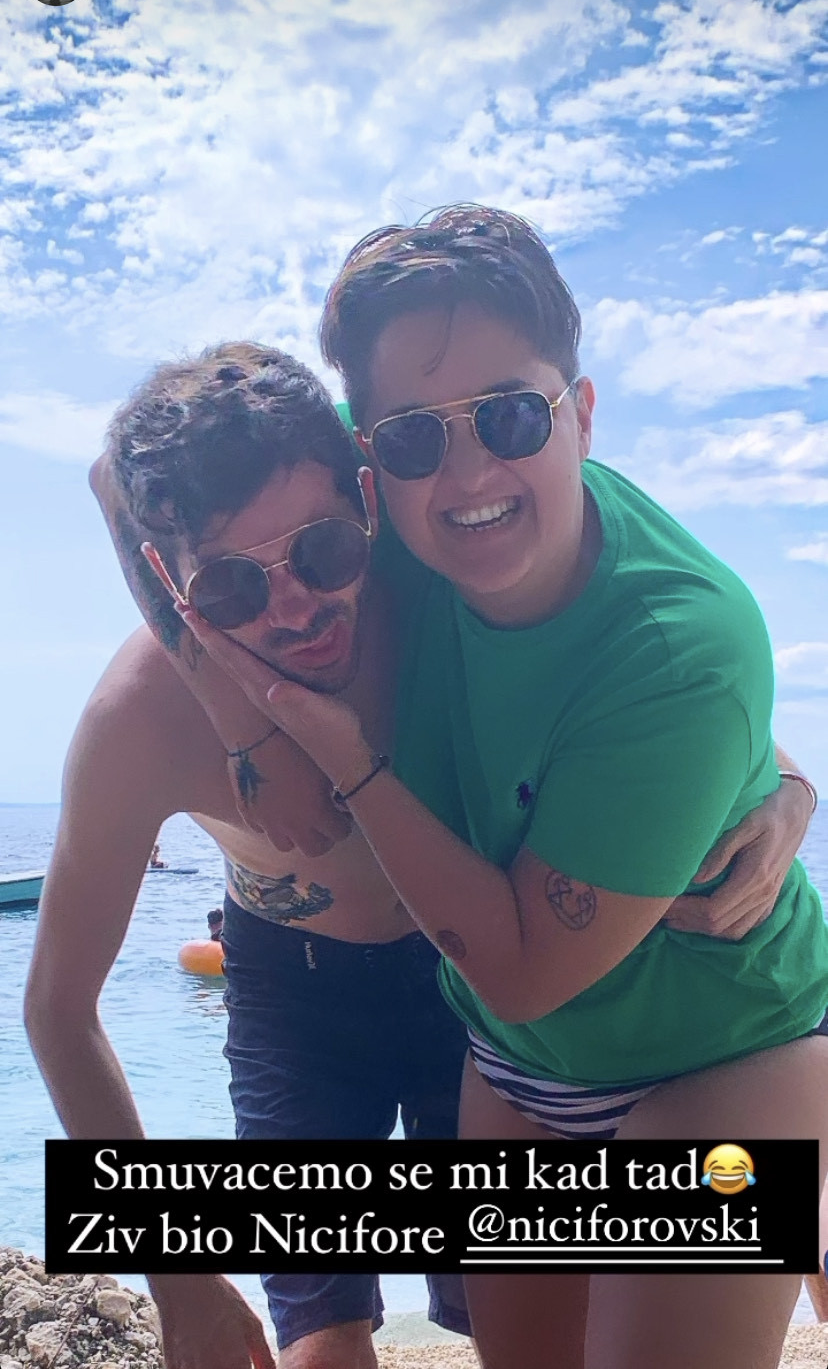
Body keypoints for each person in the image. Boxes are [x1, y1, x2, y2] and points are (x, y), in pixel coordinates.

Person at [178, 208, 828, 1369]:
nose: (469, 471)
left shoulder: (683, 639)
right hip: (521, 1069)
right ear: (369, 461)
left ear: (580, 413)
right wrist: (239, 723)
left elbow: (526, 965)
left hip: (727, 1048)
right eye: (415, 437)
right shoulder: (382, 534)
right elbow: (120, 479)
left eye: (512, 414)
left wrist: (345, 757)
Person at [25, 345, 471, 1369]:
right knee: (318, 1345)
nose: (296, 607)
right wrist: (179, 1279)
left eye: (323, 550)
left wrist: (783, 779)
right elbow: (56, 1006)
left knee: (536, 1314)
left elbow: (636, 647)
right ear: (170, 585)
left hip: (475, 960)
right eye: (228, 586)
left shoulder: (445, 592)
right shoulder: (139, 718)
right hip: (294, 992)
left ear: (366, 501)